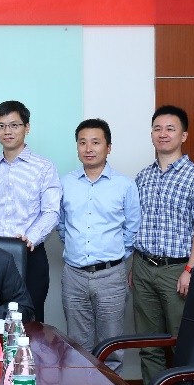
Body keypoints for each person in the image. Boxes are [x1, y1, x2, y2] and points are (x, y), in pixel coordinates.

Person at [130, 104, 194, 381]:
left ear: (183, 135)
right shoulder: (143, 176)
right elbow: (136, 224)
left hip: (177, 271)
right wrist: (133, 265)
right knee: (148, 344)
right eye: (157, 128)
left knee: (182, 342)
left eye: (170, 129)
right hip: (143, 267)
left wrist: (190, 269)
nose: (163, 134)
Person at [58, 118, 140, 370]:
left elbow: (132, 228)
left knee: (111, 346)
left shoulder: (124, 185)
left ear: (108, 147)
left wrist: (114, 258)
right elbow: (61, 224)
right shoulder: (65, 183)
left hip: (111, 275)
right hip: (74, 275)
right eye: (82, 142)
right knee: (77, 345)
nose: (88, 148)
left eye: (95, 142)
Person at [0, 100, 60, 322]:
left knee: (31, 320)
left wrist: (30, 238)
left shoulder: (44, 167)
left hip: (30, 253)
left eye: (14, 125)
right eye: (1, 126)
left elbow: (51, 211)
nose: (7, 131)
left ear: (26, 127)